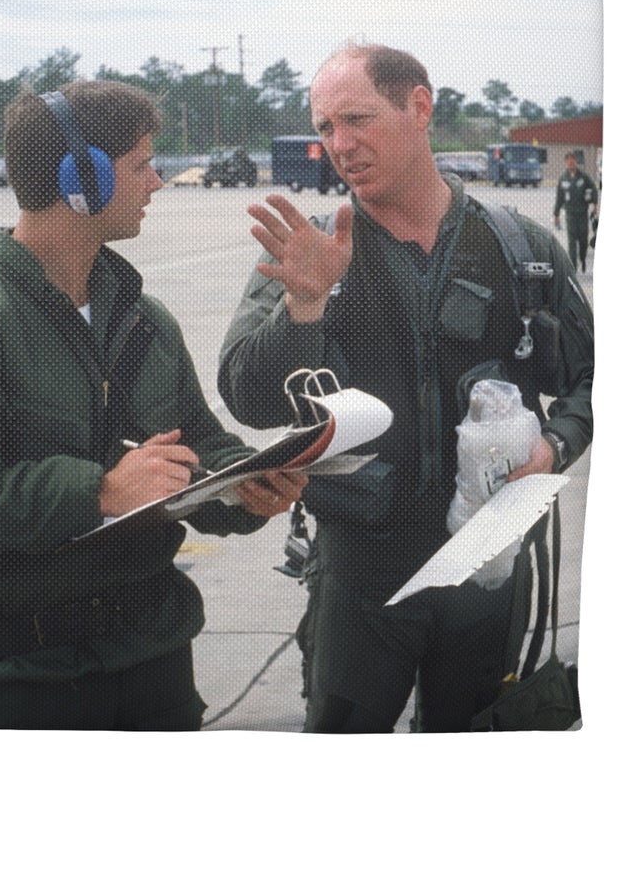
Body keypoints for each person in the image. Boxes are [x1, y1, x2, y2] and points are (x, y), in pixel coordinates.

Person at [0, 80, 306, 731]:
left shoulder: (144, 322)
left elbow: (195, 439)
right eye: (140, 165)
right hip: (22, 683)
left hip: (155, 663)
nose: (156, 182)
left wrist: (248, 482)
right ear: (81, 178)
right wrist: (98, 491)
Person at [218, 44, 594, 733]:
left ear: (418, 106)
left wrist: (553, 446)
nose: (338, 144)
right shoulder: (309, 251)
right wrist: (303, 303)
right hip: (360, 578)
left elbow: (589, 383)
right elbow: (249, 396)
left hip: (487, 563)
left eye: (356, 119)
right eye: (324, 126)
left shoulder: (519, 249)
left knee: (471, 742)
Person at [553, 150, 600, 273]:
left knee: (583, 241)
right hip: (570, 215)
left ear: (576, 162)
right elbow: (559, 197)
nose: (570, 162)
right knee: (572, 242)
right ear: (565, 163)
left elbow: (593, 189)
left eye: (572, 160)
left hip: (582, 214)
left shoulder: (583, 177)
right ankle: (572, 267)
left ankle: (583, 259)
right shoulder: (563, 179)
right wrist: (556, 214)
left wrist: (595, 205)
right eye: (568, 160)